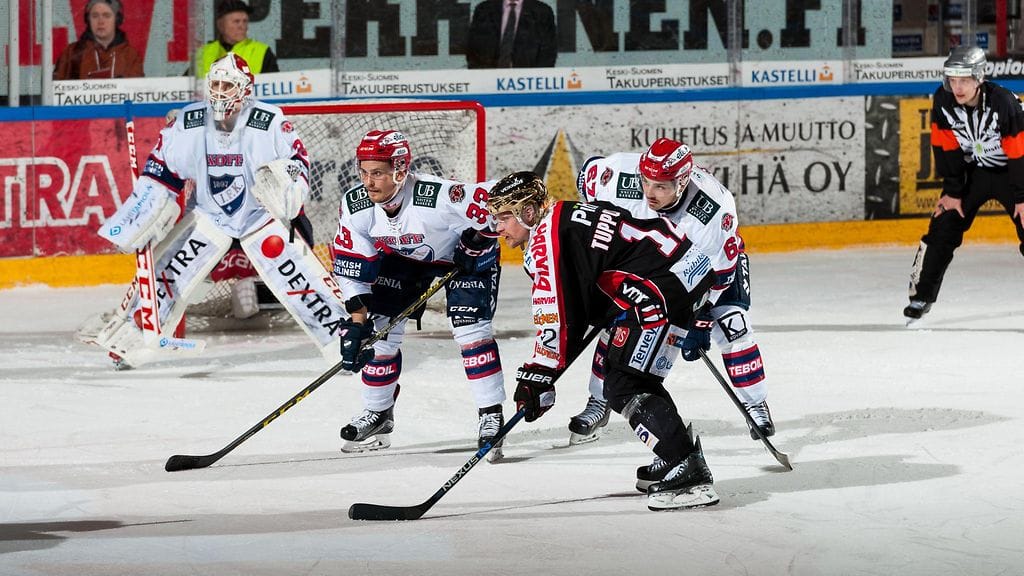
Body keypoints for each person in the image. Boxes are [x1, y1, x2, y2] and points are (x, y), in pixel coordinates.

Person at [83, 54, 345, 368]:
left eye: (228, 85)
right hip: (209, 214)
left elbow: (298, 162)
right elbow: (162, 169)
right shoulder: (190, 120)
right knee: (168, 270)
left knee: (296, 276)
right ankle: (136, 335)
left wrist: (288, 190)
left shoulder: (269, 120)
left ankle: (340, 337)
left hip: (259, 216)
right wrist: (145, 208)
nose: (221, 91)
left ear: (245, 89)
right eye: (216, 83)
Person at [487, 171, 719, 511]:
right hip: (679, 274)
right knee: (633, 375)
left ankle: (688, 470)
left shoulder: (546, 241)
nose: (498, 228)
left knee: (623, 384)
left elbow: (559, 317)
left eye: (505, 216)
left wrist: (537, 376)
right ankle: (677, 454)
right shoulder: (564, 215)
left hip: (659, 289)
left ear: (529, 211)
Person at [570, 138, 775, 445]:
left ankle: (755, 402)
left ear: (682, 182)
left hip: (712, 267)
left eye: (661, 187)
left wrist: (700, 322)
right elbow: (588, 175)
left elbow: (718, 276)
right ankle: (599, 402)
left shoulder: (712, 210)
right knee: (616, 326)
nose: (650, 193)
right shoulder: (618, 175)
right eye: (646, 182)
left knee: (733, 324)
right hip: (648, 260)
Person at [331, 130, 507, 459]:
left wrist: (478, 240)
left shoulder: (436, 197)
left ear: (400, 170)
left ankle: (490, 415)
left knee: (470, 332)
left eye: (378, 173)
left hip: (464, 260)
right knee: (378, 332)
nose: (369, 182)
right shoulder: (356, 206)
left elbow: (498, 203)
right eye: (364, 172)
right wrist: (357, 324)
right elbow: (353, 267)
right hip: (404, 261)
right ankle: (379, 414)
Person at [905, 45, 1024, 323]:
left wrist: (1022, 197)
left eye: (965, 80)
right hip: (977, 172)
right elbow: (944, 145)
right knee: (944, 223)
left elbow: (1019, 152)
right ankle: (921, 296)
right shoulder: (943, 100)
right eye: (953, 80)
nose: (957, 87)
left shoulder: (1003, 103)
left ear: (979, 78)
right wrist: (954, 191)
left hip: (1016, 171)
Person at [54, 0, 144, 80]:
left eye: (106, 16)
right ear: (88, 20)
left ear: (117, 20)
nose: (101, 21)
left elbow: (136, 91)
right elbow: (54, 90)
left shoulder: (130, 55)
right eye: (95, 16)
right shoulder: (71, 53)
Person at [194, 0, 279, 77]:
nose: (242, 26)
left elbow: (275, 86)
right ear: (220, 25)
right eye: (236, 21)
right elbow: (184, 87)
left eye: (245, 21)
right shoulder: (203, 54)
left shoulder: (262, 52)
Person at [467, 0, 557, 69]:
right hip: (488, 83)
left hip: (527, 84)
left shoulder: (543, 12)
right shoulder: (483, 10)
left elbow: (548, 55)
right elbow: (473, 50)